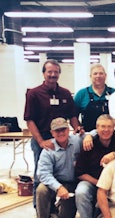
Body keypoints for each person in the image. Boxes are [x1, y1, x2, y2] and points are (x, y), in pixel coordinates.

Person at [24, 59, 82, 208]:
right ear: (43, 73)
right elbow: (29, 120)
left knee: (64, 173)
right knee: (41, 176)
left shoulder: (65, 93)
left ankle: (59, 206)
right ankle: (40, 210)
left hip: (62, 138)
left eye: (56, 72)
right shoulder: (34, 94)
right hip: (43, 139)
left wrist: (77, 129)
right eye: (49, 71)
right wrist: (41, 141)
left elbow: (73, 116)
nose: (52, 74)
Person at [74, 114, 115, 218]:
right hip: (94, 182)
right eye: (102, 127)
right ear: (96, 128)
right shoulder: (89, 143)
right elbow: (80, 172)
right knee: (81, 191)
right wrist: (99, 183)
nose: (106, 130)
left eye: (109, 127)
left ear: (114, 128)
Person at [35, 118, 83, 218]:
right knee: (41, 190)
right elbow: (43, 173)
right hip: (54, 183)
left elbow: (96, 132)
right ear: (52, 133)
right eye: (57, 131)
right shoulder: (48, 149)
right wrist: (58, 187)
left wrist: (88, 137)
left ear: (68, 130)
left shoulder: (77, 140)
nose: (61, 133)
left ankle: (57, 208)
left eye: (63, 129)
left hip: (72, 183)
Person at [74, 63, 115, 131]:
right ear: (90, 76)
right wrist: (78, 128)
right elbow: (73, 116)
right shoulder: (81, 94)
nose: (98, 76)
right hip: (87, 136)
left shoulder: (114, 93)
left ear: (105, 76)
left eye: (101, 73)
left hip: (109, 135)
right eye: (95, 73)